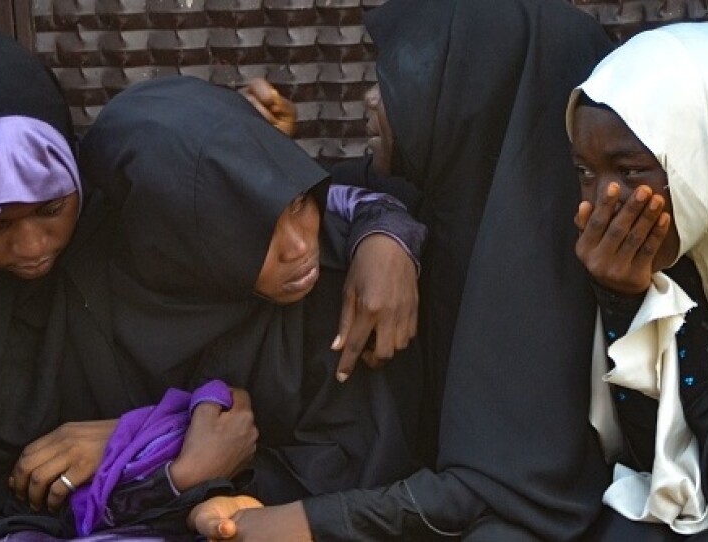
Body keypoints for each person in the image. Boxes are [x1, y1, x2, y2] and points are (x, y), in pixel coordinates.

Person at [191, 0, 615, 540]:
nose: (371, 99)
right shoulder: (430, 195)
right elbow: (338, 197)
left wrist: (307, 523)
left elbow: (504, 489)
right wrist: (381, 230)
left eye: (403, 78)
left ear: (468, 99)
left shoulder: (553, 266)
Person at [0, 9, 262, 541]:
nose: (34, 248)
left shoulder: (119, 243)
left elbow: (238, 406)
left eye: (50, 209)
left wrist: (125, 436)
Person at [9, 73, 429, 536]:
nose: (298, 248)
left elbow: (363, 480)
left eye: (295, 203)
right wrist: (175, 459)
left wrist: (144, 443)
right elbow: (52, 494)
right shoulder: (83, 306)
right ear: (170, 244)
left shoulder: (343, 281)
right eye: (253, 234)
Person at [568, 22, 708, 541]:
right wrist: (622, 300)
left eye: (631, 170)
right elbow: (649, 457)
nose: (603, 202)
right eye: (585, 172)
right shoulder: (682, 232)